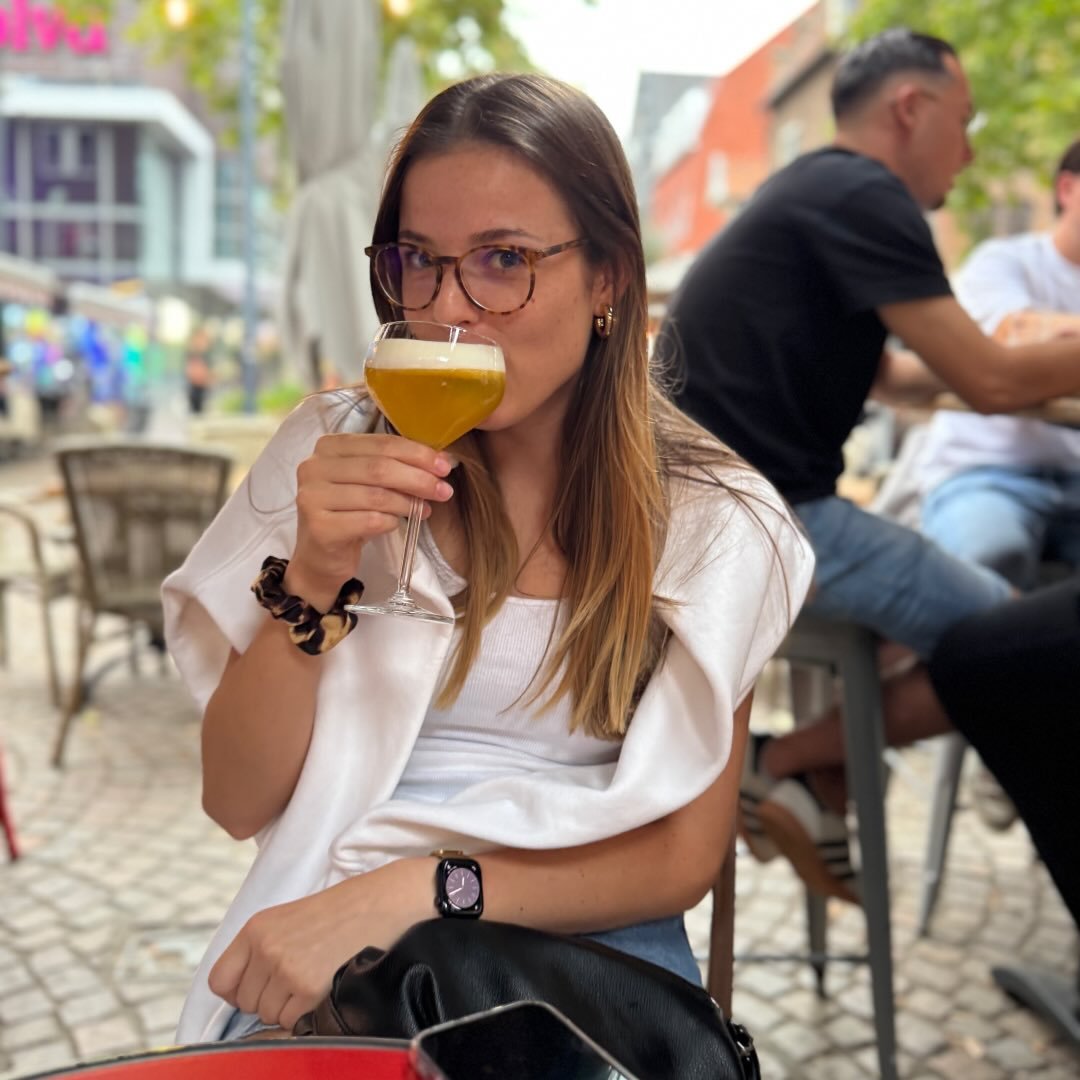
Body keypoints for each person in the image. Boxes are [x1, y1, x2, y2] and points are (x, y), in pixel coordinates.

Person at [163, 73, 814, 1043]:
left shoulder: (714, 521)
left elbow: (681, 859)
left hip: (584, 929)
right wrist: (312, 576)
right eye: (417, 261)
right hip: (328, 918)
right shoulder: (329, 455)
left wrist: (422, 890)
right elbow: (235, 798)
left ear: (608, 278)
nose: (449, 311)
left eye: (503, 259)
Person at [659, 28, 1080, 903]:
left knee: (934, 628)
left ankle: (821, 787)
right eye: (965, 121)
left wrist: (985, 361)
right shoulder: (868, 195)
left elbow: (896, 374)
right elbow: (993, 382)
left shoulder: (812, 184)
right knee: (1013, 647)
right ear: (911, 108)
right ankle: (779, 763)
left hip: (710, 505)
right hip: (762, 520)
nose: (969, 152)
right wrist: (1013, 361)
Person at [919, 137, 1080, 589]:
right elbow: (1015, 335)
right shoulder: (1002, 261)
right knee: (990, 558)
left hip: (1074, 476)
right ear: (1067, 188)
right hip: (984, 472)